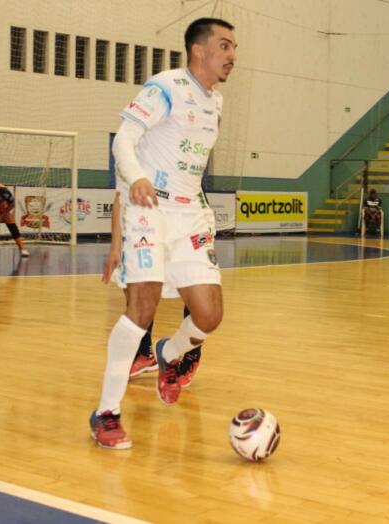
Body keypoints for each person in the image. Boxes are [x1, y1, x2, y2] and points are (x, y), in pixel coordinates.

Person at [90, 17, 237, 449]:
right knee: (142, 308)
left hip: (190, 213)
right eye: (224, 46)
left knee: (209, 315)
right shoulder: (165, 87)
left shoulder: (216, 102)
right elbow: (123, 140)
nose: (232, 55)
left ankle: (169, 355)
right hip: (149, 209)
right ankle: (106, 412)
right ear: (199, 50)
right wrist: (136, 178)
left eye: (234, 47)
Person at [103, 193, 203, 385]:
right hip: (152, 219)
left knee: (194, 287)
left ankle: (192, 355)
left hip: (187, 214)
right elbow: (118, 199)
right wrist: (115, 247)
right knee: (136, 285)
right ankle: (144, 352)